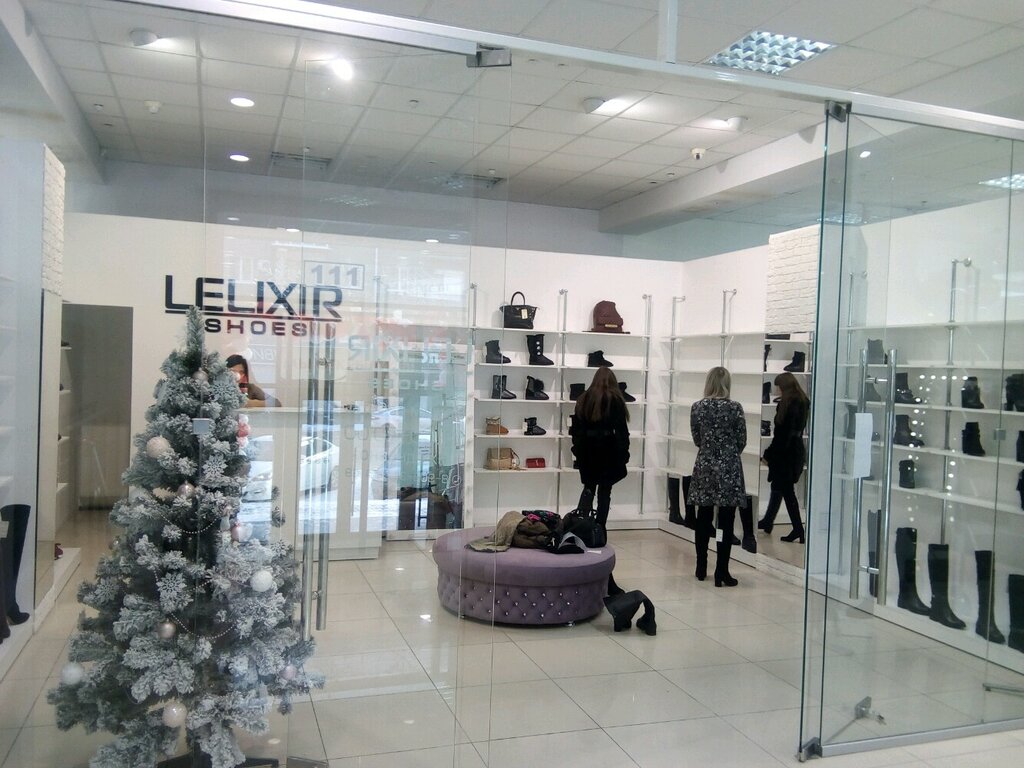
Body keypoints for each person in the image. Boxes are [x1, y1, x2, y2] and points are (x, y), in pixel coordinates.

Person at [570, 366, 630, 595]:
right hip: (608, 454)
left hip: (588, 454)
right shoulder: (615, 400)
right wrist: (624, 455)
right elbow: (622, 433)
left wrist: (578, 453)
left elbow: (576, 432)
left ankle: (583, 522)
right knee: (605, 492)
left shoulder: (584, 399)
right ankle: (600, 528)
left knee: (588, 488)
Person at [689, 366, 746, 587]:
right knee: (726, 519)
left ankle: (701, 566)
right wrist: (727, 451)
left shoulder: (697, 407)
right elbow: (741, 440)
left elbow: (697, 438)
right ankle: (722, 570)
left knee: (703, 516)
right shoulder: (735, 408)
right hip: (729, 466)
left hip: (705, 465)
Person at [759, 372, 809, 543]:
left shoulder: (788, 405)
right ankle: (769, 521)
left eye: (778, 388)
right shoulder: (802, 402)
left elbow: (782, 434)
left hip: (785, 453)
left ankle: (797, 529)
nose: (777, 391)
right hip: (794, 451)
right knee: (779, 487)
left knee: (786, 491)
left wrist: (770, 453)